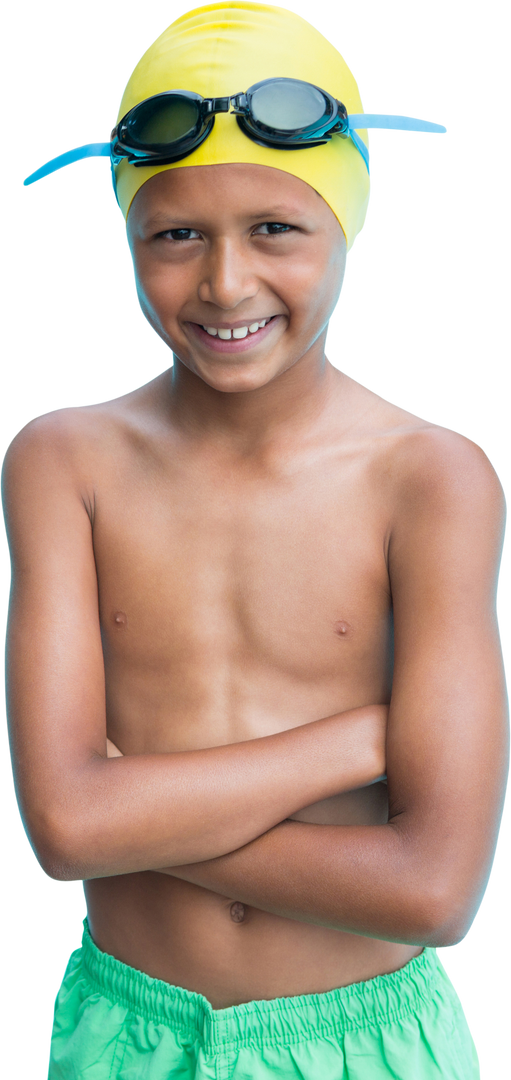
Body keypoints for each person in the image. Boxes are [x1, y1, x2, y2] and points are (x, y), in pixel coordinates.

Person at [4, 2, 509, 1077]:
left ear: (349, 222)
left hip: (370, 1041)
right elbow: (63, 829)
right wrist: (357, 743)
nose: (225, 284)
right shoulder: (63, 463)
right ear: (129, 236)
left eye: (275, 229)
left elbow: (435, 890)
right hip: (122, 1035)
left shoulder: (431, 478)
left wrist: (133, 815)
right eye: (175, 234)